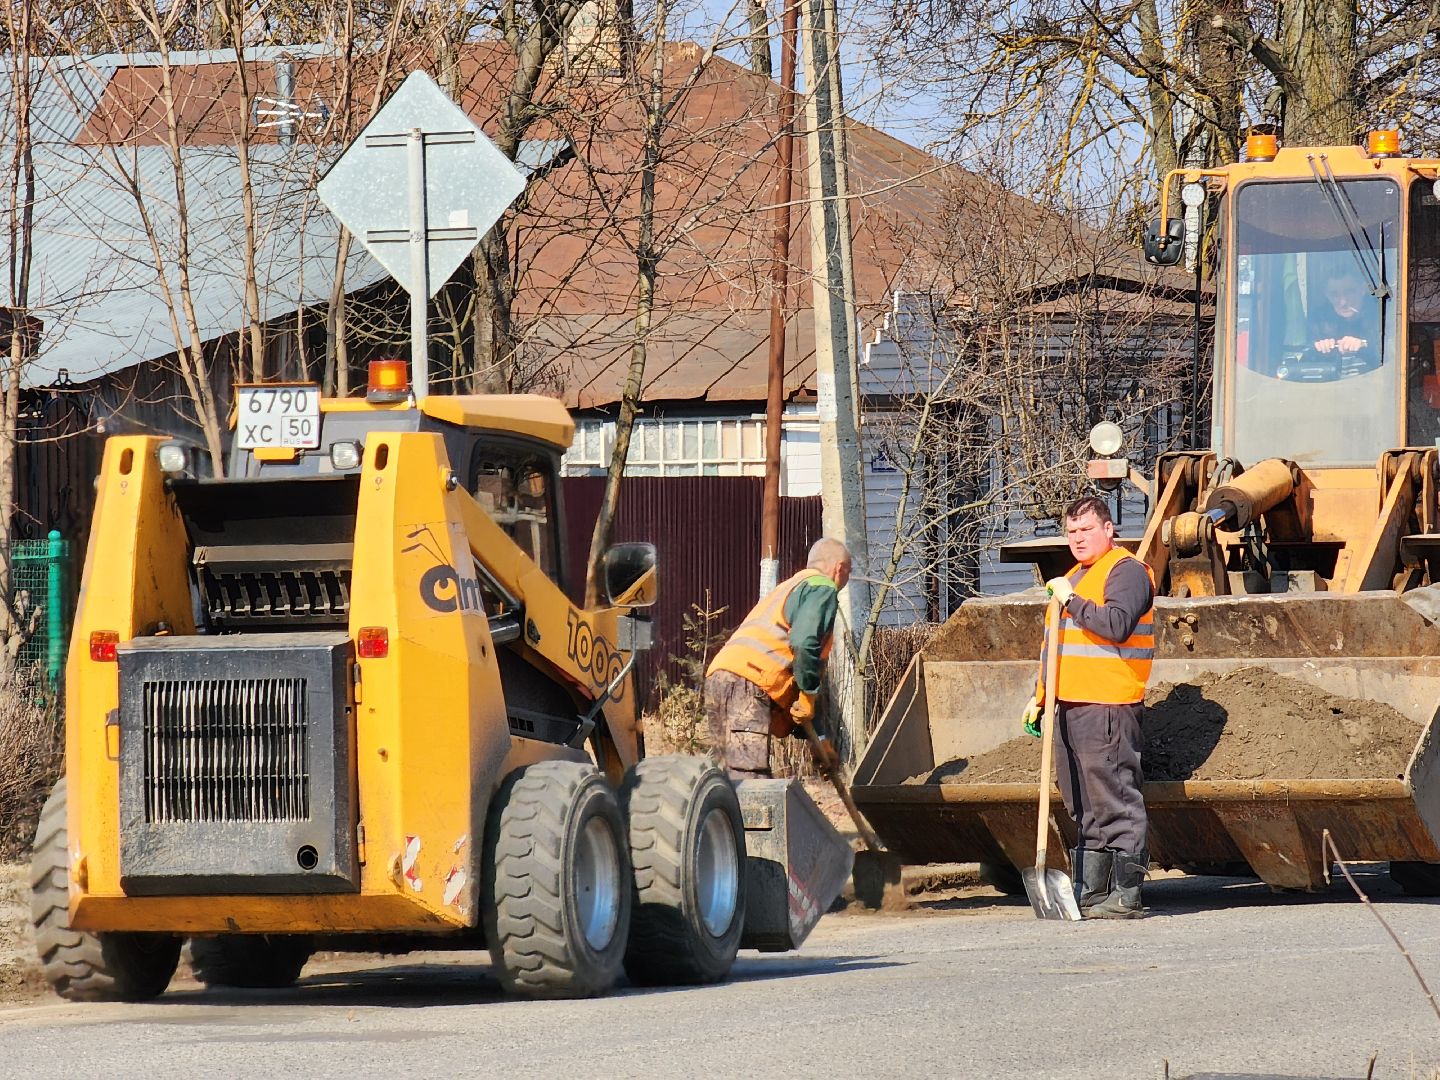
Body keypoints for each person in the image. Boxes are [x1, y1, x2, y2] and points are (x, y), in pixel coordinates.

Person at [1020, 496, 1155, 918]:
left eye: (1086, 530)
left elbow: (1115, 625)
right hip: (1070, 705)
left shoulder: (1126, 571)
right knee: (1083, 803)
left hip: (1109, 705)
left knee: (1114, 796)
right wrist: (1041, 696)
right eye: (1072, 531)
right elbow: (1057, 649)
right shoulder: (1075, 577)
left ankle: (1126, 894)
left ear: (1108, 529)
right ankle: (1092, 889)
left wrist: (1071, 599)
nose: (1078, 538)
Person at [704, 538, 851, 780]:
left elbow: (796, 667)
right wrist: (808, 697)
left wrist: (819, 739)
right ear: (840, 568)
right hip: (748, 683)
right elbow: (804, 645)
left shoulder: (789, 588)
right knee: (749, 780)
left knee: (726, 782)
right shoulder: (821, 587)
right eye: (848, 573)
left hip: (720, 678)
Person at [1311, 269, 1378, 368]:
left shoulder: (1380, 315)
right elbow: (1305, 355)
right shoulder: (1320, 320)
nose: (1343, 302)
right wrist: (1320, 347)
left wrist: (1364, 344)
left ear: (1362, 290)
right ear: (1327, 295)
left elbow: (1391, 354)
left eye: (1349, 292)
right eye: (1334, 294)